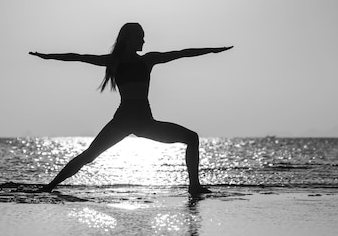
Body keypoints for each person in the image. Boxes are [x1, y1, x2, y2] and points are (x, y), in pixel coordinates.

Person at [29, 22, 232, 196]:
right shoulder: (114, 61)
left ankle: (194, 187)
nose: (144, 41)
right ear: (129, 39)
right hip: (126, 120)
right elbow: (79, 57)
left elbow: (182, 54)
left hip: (143, 122)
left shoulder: (148, 60)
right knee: (89, 156)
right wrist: (47, 56)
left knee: (192, 138)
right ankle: (50, 187)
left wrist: (213, 50)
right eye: (140, 37)